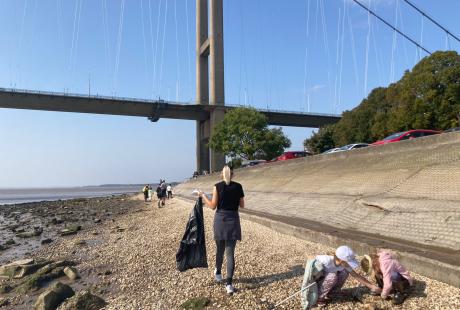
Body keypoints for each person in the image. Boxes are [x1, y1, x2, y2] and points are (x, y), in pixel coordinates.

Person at [198, 166, 244, 295]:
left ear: (221, 175)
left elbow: (213, 206)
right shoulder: (238, 186)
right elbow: (242, 205)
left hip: (220, 220)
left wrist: (203, 196)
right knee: (230, 254)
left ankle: (218, 272)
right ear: (233, 175)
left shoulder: (217, 186)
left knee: (220, 249)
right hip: (233, 220)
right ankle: (229, 284)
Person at [302, 246, 382, 307]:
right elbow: (310, 258)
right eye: (349, 262)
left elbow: (356, 275)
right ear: (341, 260)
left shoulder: (344, 265)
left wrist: (372, 286)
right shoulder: (326, 260)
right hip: (318, 281)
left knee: (344, 272)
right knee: (332, 276)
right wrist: (316, 269)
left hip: (328, 281)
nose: (349, 264)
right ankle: (320, 297)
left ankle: (333, 292)